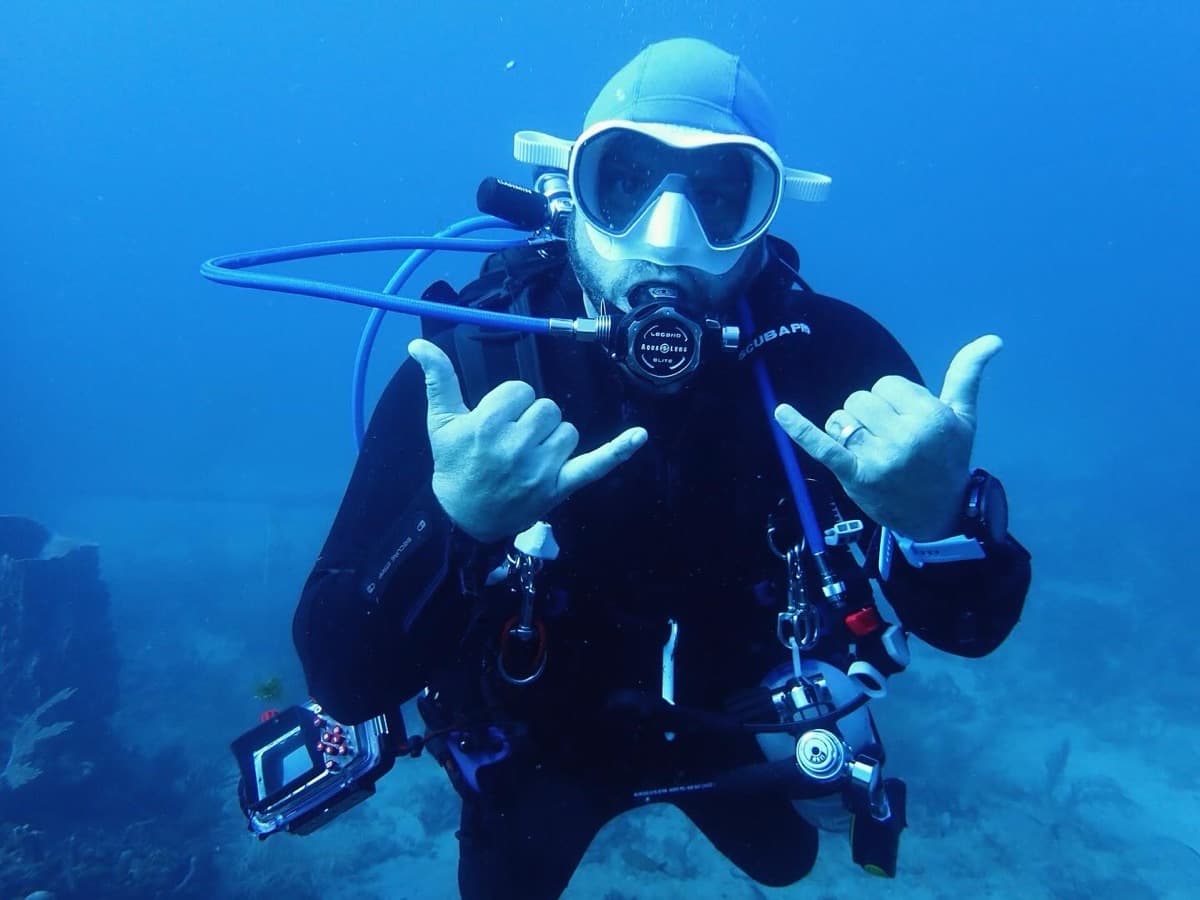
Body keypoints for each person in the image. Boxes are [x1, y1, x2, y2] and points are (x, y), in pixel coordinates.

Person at [293, 37, 1032, 899]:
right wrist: (453, 520)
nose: (669, 239)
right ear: (573, 190)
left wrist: (936, 520)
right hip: (534, 735)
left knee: (788, 863)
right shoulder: (470, 370)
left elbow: (973, 630)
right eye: (628, 183)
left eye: (721, 198)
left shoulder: (831, 362)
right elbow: (346, 681)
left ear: (766, 212)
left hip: (733, 723)